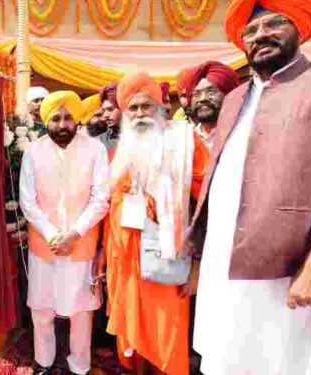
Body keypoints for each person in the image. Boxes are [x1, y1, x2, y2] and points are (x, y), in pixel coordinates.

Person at [184, 0, 311, 373]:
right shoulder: (233, 98)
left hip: (291, 266)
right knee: (224, 353)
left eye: (274, 23)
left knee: (283, 358)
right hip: (222, 263)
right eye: (250, 30)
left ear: (299, 26)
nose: (260, 34)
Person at [103, 72, 209, 375]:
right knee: (131, 339)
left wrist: (198, 265)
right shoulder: (122, 149)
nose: (139, 114)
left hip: (166, 258)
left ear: (162, 108)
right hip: (124, 262)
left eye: (146, 106)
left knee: (165, 335)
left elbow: (207, 205)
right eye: (132, 108)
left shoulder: (185, 143)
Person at [20, 91, 110, 375]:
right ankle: (44, 362)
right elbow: (27, 200)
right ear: (46, 121)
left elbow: (101, 198)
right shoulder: (33, 151)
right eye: (56, 118)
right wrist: (50, 233)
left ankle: (80, 366)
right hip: (43, 244)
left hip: (81, 244)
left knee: (81, 312)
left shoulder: (95, 149)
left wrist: (74, 233)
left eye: (68, 117)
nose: (62, 124)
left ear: (76, 118)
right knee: (41, 308)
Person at [183, 61, 240, 148]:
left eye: (211, 92)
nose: (202, 98)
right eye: (196, 94)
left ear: (229, 93)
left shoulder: (244, 132)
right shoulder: (185, 140)